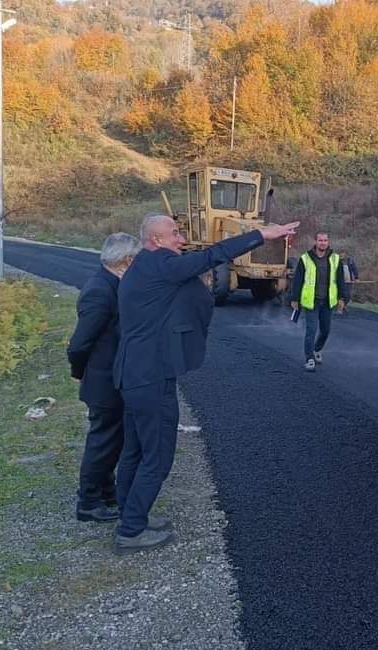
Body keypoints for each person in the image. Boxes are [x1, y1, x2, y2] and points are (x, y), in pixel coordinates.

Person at [112, 213, 298, 554]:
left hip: (133, 374)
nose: (181, 239)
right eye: (174, 234)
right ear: (155, 240)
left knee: (135, 451)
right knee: (158, 456)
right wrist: (261, 234)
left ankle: (131, 513)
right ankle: (131, 530)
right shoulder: (163, 265)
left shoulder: (140, 268)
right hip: (150, 377)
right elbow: (214, 255)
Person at [67, 233, 141, 525]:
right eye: (136, 259)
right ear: (126, 260)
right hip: (103, 381)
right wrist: (79, 372)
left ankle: (107, 492)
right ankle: (88, 502)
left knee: (113, 440)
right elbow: (79, 343)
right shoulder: (100, 291)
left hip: (112, 378)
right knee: (102, 442)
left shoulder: (112, 284)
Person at [289, 232, 351, 372]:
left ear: (328, 242)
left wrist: (342, 298)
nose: (322, 243)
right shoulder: (305, 259)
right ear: (315, 242)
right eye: (320, 240)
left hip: (328, 302)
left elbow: (340, 280)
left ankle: (317, 349)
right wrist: (294, 298)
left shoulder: (335, 259)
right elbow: (298, 280)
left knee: (325, 330)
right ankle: (309, 358)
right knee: (311, 330)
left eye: (325, 240)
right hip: (311, 301)